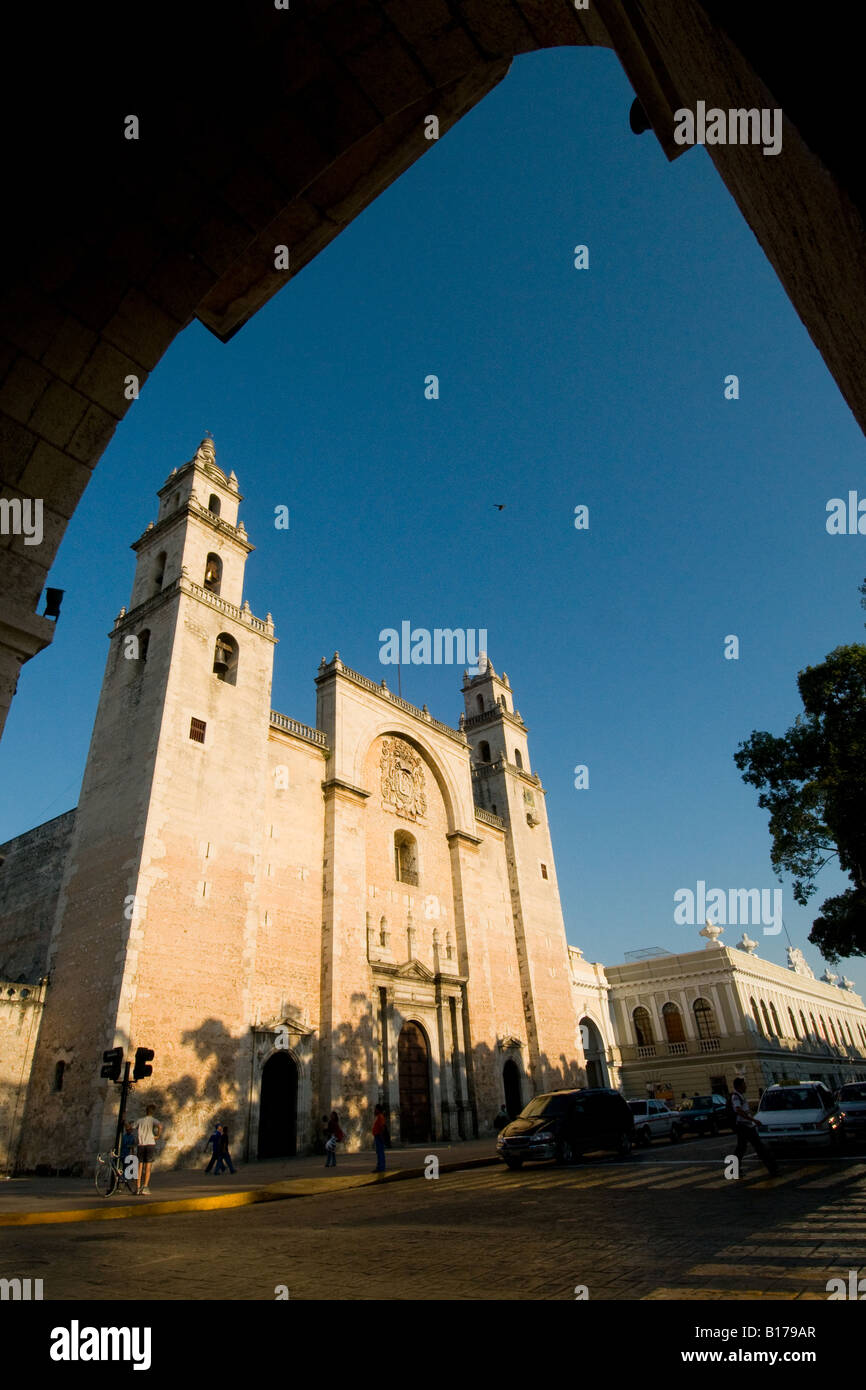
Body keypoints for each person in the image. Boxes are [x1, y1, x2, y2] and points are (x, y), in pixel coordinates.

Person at [731, 1076, 777, 1176]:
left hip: (745, 1125)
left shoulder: (740, 1096)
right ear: (739, 1086)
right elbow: (738, 1110)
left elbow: (744, 1110)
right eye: (744, 1085)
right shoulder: (736, 1096)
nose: (746, 1087)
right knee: (759, 1147)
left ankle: (734, 1170)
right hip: (744, 1126)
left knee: (741, 1148)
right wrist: (753, 1120)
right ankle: (772, 1169)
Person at [135, 1103, 161, 1195]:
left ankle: (138, 1187)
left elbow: (131, 1127)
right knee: (148, 1167)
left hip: (141, 1144)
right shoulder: (153, 1120)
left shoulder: (140, 1120)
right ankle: (145, 1187)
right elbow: (160, 1126)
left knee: (139, 1166)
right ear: (152, 1112)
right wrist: (157, 1135)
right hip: (150, 1144)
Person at [372, 1104, 387, 1173]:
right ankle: (380, 1166)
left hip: (379, 1136)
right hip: (377, 1136)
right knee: (379, 1152)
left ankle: (381, 1167)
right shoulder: (378, 1117)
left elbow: (382, 1127)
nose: (374, 1110)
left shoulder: (380, 1117)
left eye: (375, 1109)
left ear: (378, 1110)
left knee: (380, 1152)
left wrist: (381, 1136)